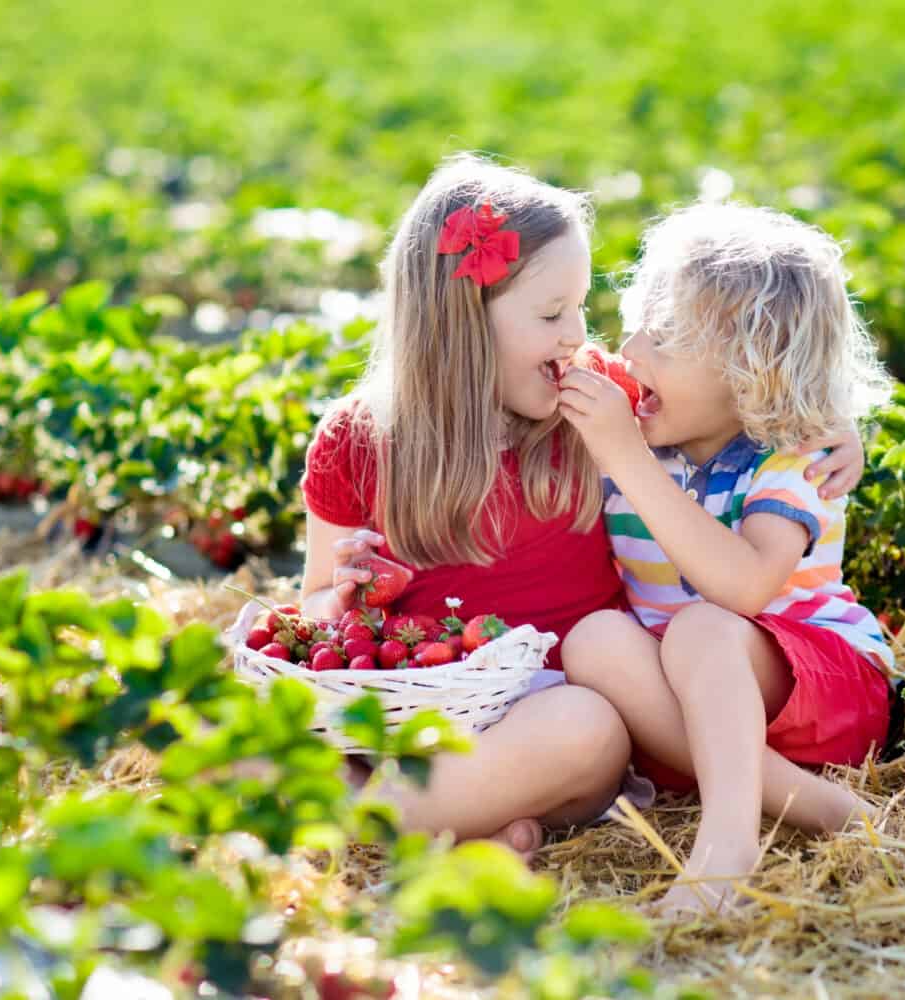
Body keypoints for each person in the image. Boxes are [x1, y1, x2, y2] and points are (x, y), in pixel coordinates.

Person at [296, 157, 865, 857]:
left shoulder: (593, 400)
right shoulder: (357, 443)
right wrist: (341, 596)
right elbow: (315, 607)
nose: (578, 335)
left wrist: (836, 431)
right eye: (550, 313)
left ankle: (361, 820)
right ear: (460, 324)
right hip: (424, 715)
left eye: (581, 306)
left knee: (587, 727)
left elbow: (734, 388)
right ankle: (444, 820)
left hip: (564, 713)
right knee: (263, 734)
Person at [558, 202, 896, 911]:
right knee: (591, 641)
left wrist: (622, 453)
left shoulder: (792, 460)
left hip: (819, 684)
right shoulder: (636, 443)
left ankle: (727, 848)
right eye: (641, 322)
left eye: (670, 337)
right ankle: (819, 807)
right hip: (692, 715)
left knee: (704, 625)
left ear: (754, 375)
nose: (633, 351)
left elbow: (744, 588)